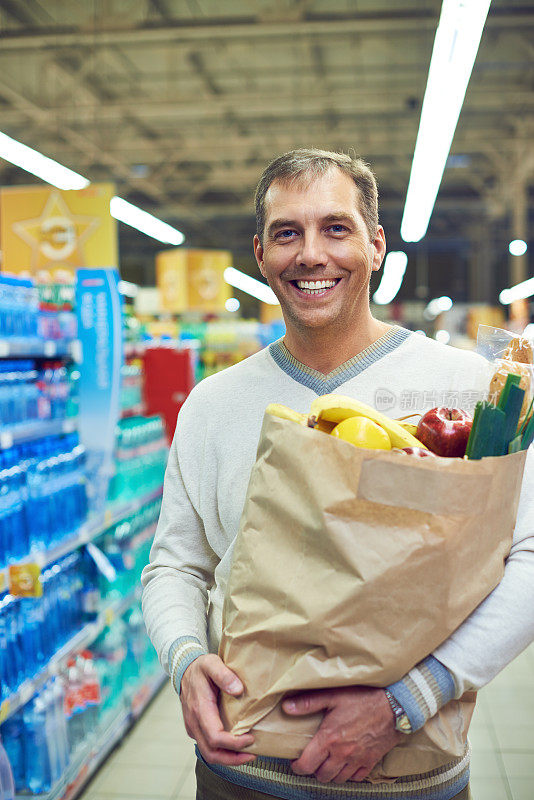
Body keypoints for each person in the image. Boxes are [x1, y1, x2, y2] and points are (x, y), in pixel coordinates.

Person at [141, 149, 534, 800]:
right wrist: (185, 662)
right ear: (261, 253)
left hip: (412, 778)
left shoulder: (470, 391)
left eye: (336, 228)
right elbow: (175, 565)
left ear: (376, 245)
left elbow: (527, 558)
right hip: (242, 775)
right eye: (287, 233)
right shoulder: (213, 404)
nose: (311, 254)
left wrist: (409, 699)